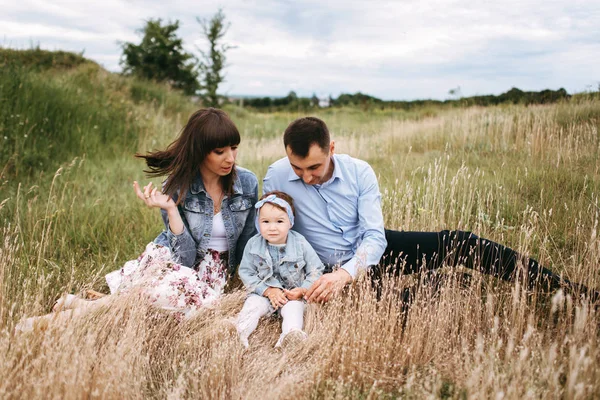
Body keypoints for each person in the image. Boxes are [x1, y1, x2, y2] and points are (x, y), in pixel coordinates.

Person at [262, 116, 596, 304]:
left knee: (459, 242)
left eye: (314, 167)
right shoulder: (276, 175)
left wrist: (347, 273)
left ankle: (571, 292)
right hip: (322, 264)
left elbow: (375, 237)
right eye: (297, 168)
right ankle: (443, 287)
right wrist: (316, 277)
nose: (305, 177)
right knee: (391, 306)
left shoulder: (360, 172)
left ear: (331, 148)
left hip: (367, 252)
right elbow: (271, 231)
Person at [16, 108, 258, 331]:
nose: (231, 158)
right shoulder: (176, 186)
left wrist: (244, 283)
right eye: (220, 152)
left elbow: (248, 242)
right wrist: (172, 210)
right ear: (200, 151)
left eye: (234, 148)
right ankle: (56, 321)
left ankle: (90, 307)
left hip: (211, 272)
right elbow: (183, 259)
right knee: (177, 289)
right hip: (174, 260)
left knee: (180, 305)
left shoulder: (247, 183)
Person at [235, 191, 324, 348]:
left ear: (290, 222)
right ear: (258, 223)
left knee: (294, 309)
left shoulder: (300, 243)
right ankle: (240, 333)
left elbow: (316, 270)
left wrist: (303, 290)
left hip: (292, 295)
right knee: (253, 305)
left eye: (279, 221)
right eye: (266, 221)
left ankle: (290, 335)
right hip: (264, 295)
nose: (272, 228)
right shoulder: (253, 245)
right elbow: (246, 272)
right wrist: (267, 290)